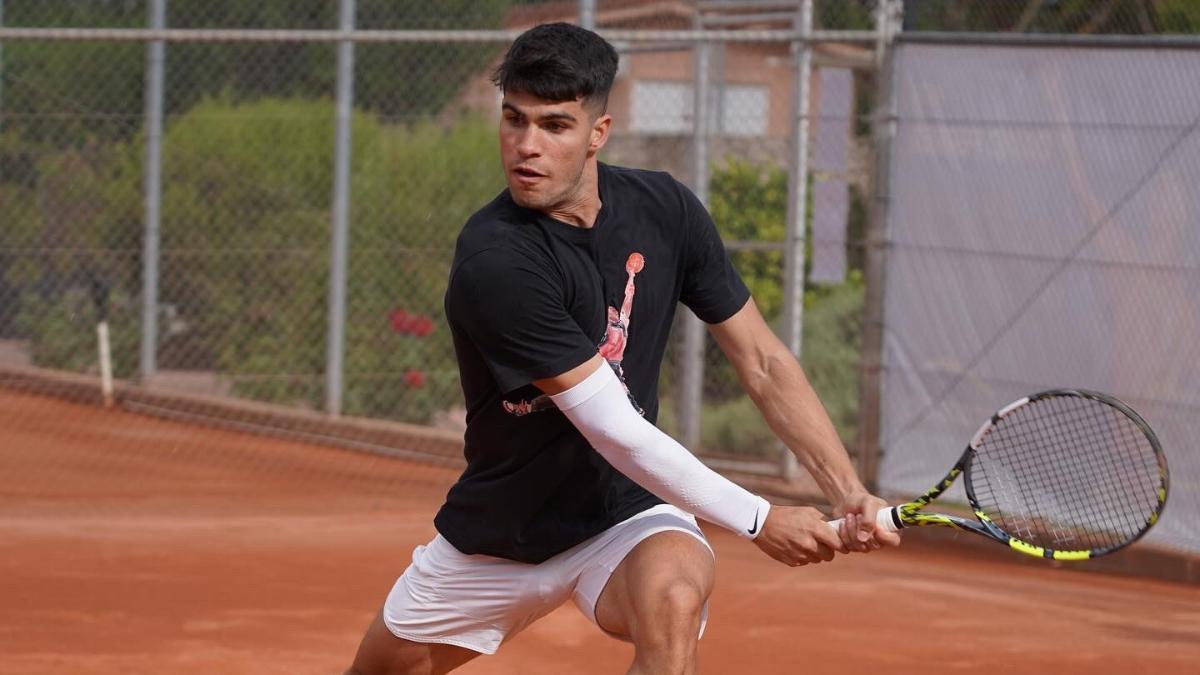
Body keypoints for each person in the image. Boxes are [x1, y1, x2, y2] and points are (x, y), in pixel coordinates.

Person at [347, 22, 900, 675]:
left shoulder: (665, 211)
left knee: (672, 598)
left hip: (626, 513)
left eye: (554, 126)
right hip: (505, 531)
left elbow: (763, 360)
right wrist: (758, 518)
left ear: (598, 133)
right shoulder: (496, 259)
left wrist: (846, 489)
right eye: (513, 120)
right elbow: (616, 429)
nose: (527, 146)